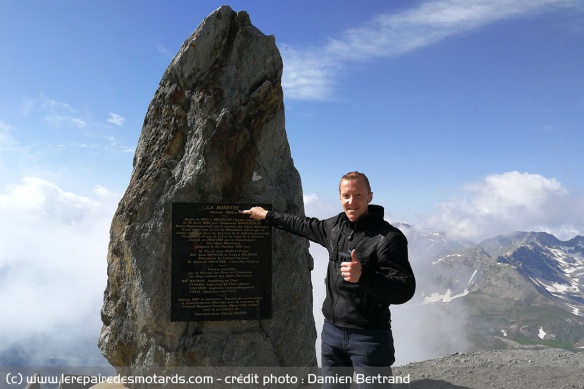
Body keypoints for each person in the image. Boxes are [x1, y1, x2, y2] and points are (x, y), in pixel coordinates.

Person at [240, 171, 415, 388]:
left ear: (370, 196)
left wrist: (365, 276)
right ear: (340, 197)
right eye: (346, 196)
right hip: (331, 334)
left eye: (358, 195)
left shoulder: (388, 238)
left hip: (369, 337)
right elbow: (302, 224)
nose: (352, 202)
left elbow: (405, 288)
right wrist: (266, 215)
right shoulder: (334, 228)